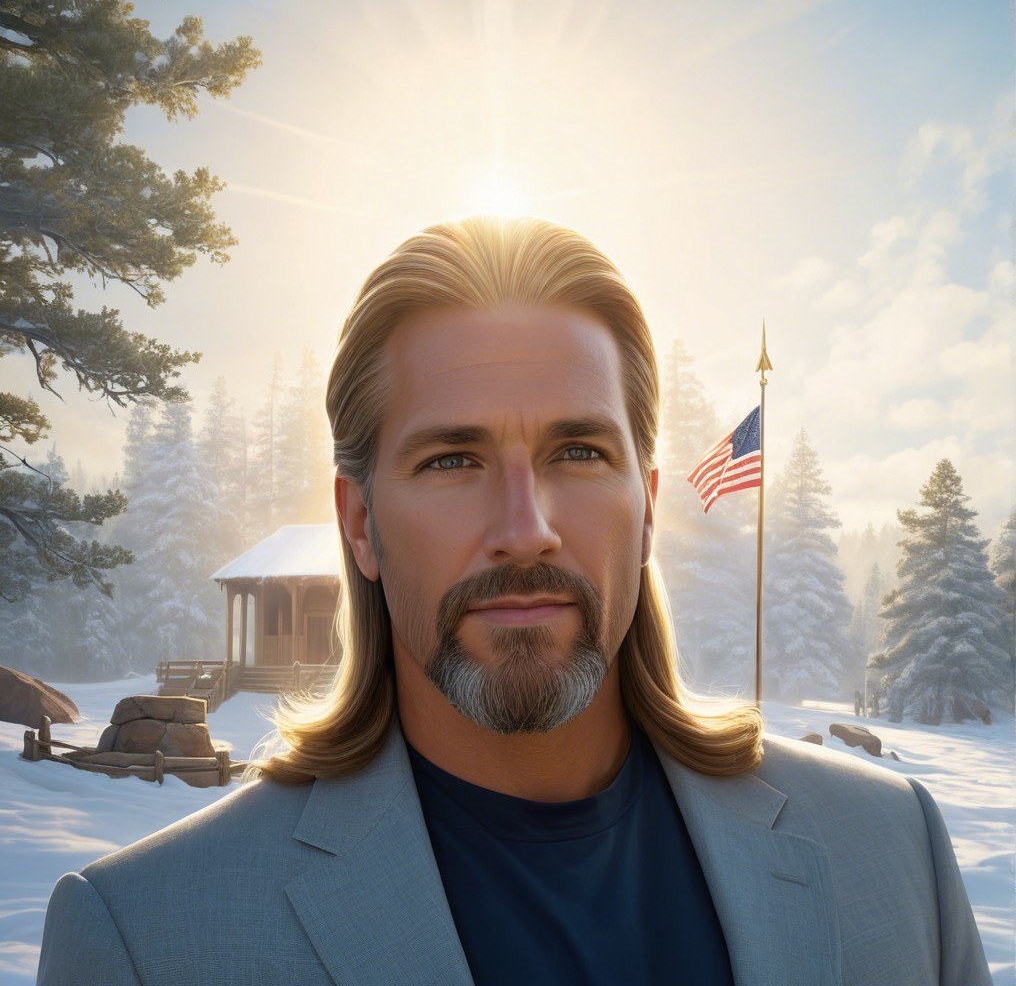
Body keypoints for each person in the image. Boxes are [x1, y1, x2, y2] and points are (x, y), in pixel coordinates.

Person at [38, 216, 990, 986]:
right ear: (360, 524)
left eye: (579, 453)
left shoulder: (892, 854)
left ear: (647, 508)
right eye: (452, 459)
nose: (525, 525)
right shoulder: (145, 939)